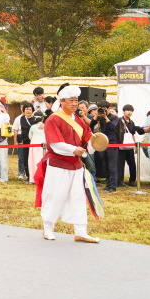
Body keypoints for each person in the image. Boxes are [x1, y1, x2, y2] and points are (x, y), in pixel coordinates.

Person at [36, 84, 99, 243]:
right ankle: (48, 228)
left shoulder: (78, 119)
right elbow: (55, 144)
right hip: (58, 164)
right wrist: (73, 150)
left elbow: (88, 139)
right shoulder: (53, 119)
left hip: (76, 165)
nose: (74, 103)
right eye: (70, 100)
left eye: (76, 100)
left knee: (78, 197)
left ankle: (81, 231)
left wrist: (95, 144)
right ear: (62, 101)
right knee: (55, 195)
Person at [90, 102, 121, 192]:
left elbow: (112, 126)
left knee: (112, 166)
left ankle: (113, 186)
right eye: (99, 108)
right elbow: (91, 125)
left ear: (108, 108)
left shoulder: (114, 117)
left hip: (112, 143)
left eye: (103, 108)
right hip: (103, 143)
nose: (102, 110)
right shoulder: (99, 117)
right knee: (106, 165)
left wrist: (105, 117)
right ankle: (108, 184)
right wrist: (96, 116)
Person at [14, 104, 40, 180]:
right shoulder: (22, 118)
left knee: (33, 158)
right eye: (26, 109)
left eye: (30, 109)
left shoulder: (35, 119)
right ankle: (28, 176)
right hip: (25, 140)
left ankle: (35, 175)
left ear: (32, 110)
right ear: (24, 110)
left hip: (33, 141)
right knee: (25, 158)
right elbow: (22, 128)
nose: (28, 111)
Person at [27, 116, 46, 183]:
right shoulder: (45, 126)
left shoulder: (33, 126)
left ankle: (34, 178)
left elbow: (30, 136)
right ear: (42, 119)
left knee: (34, 160)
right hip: (44, 143)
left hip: (34, 143)